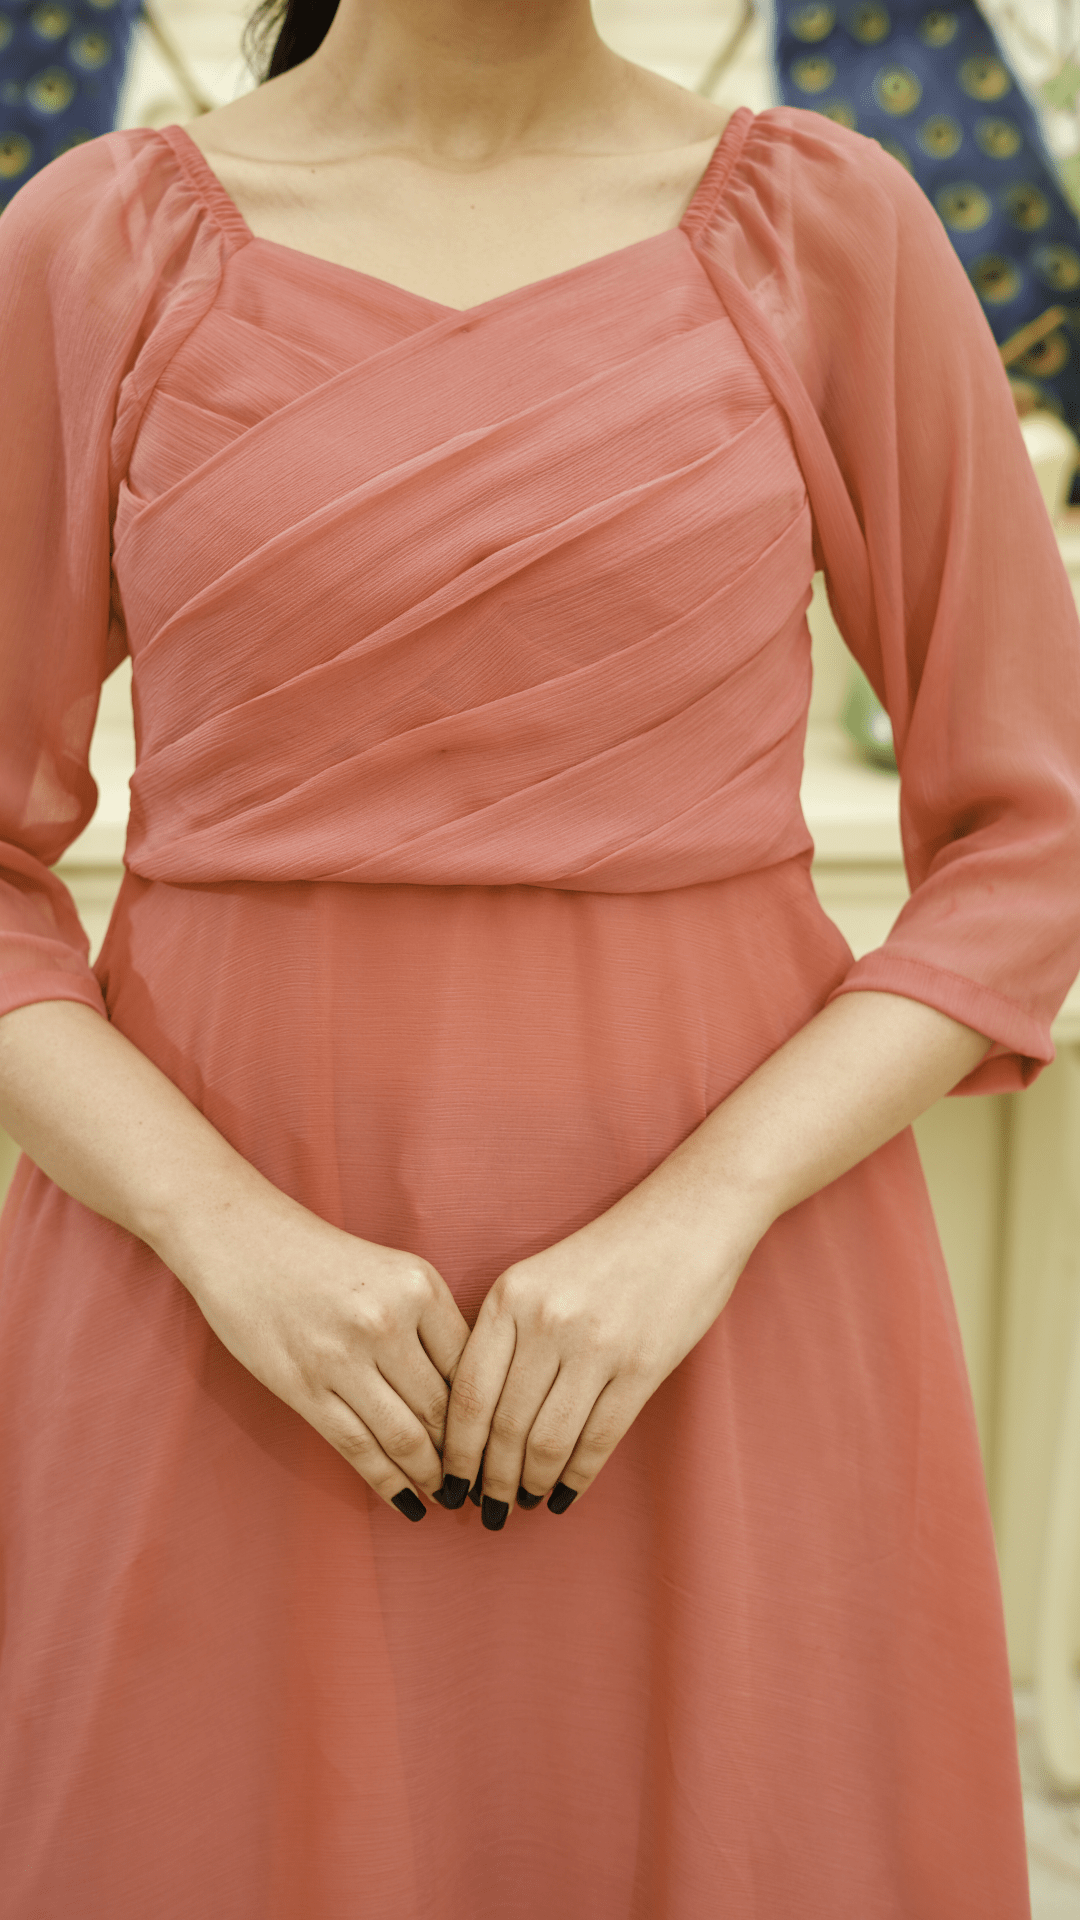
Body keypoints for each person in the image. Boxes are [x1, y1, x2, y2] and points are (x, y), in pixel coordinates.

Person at [0, 0, 1077, 1913]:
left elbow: (1036, 827)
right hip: (209, 1320)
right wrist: (224, 1235)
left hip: (728, 1319)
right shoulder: (90, 247)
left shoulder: (829, 227)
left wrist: (699, 1222)